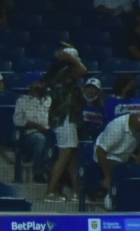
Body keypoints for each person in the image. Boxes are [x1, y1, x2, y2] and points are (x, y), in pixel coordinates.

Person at [44, 47, 88, 203]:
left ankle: (77, 193)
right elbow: (83, 70)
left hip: (67, 120)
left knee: (72, 159)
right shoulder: (65, 73)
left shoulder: (61, 73)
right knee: (64, 157)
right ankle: (50, 193)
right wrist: (70, 58)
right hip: (65, 120)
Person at [94, 112, 140, 204]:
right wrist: (107, 176)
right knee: (122, 173)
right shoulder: (116, 127)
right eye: (138, 130)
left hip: (126, 156)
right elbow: (100, 152)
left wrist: (137, 162)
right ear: (130, 124)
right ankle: (111, 199)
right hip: (109, 155)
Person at [13, 75, 53, 183]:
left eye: (43, 83)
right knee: (40, 139)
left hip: (50, 133)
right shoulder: (23, 101)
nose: (43, 85)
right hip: (28, 135)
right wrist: (35, 126)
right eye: (39, 83)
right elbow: (17, 121)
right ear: (31, 85)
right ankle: (38, 173)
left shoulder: (50, 100)